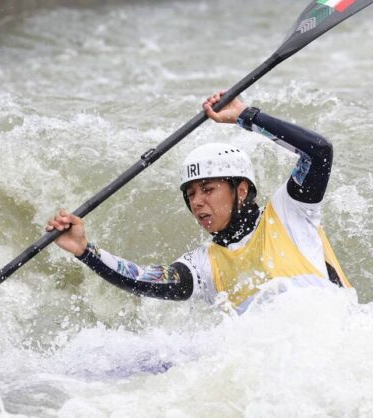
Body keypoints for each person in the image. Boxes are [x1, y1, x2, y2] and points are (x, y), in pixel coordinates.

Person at [47, 91, 351, 312]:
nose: (197, 203)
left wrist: (246, 116)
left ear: (241, 190)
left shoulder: (289, 212)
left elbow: (318, 152)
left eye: (208, 189)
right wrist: (84, 250)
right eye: (191, 194)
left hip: (335, 341)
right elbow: (141, 279)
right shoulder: (203, 265)